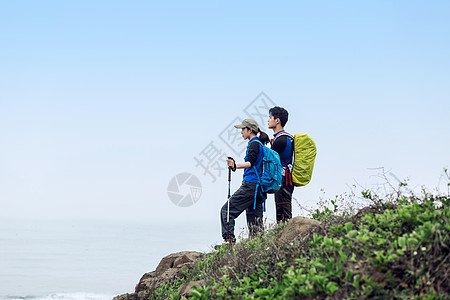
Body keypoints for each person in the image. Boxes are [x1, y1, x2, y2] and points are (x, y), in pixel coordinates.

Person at [220, 118, 270, 244]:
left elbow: (250, 162)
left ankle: (229, 242)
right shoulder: (260, 144)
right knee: (255, 221)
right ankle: (258, 246)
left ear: (250, 130)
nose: (241, 132)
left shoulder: (254, 143)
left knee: (227, 211)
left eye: (243, 129)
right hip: (259, 188)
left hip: (250, 186)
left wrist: (235, 165)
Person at [268, 106, 294, 223]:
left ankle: (288, 238)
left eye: (270, 117)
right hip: (286, 178)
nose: (268, 120)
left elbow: (268, 158)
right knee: (283, 208)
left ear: (277, 120)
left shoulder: (280, 140)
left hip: (283, 179)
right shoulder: (287, 138)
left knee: (283, 210)